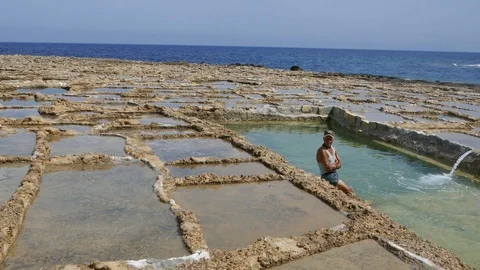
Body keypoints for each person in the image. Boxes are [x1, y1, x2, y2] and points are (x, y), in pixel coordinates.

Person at [316, 130, 355, 195]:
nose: (328, 141)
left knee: (350, 190)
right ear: (323, 139)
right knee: (349, 191)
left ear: (333, 139)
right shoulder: (322, 151)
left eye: (330, 139)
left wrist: (334, 165)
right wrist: (336, 163)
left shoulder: (333, 149)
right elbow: (328, 168)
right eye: (327, 139)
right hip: (327, 176)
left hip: (334, 175)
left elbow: (340, 164)